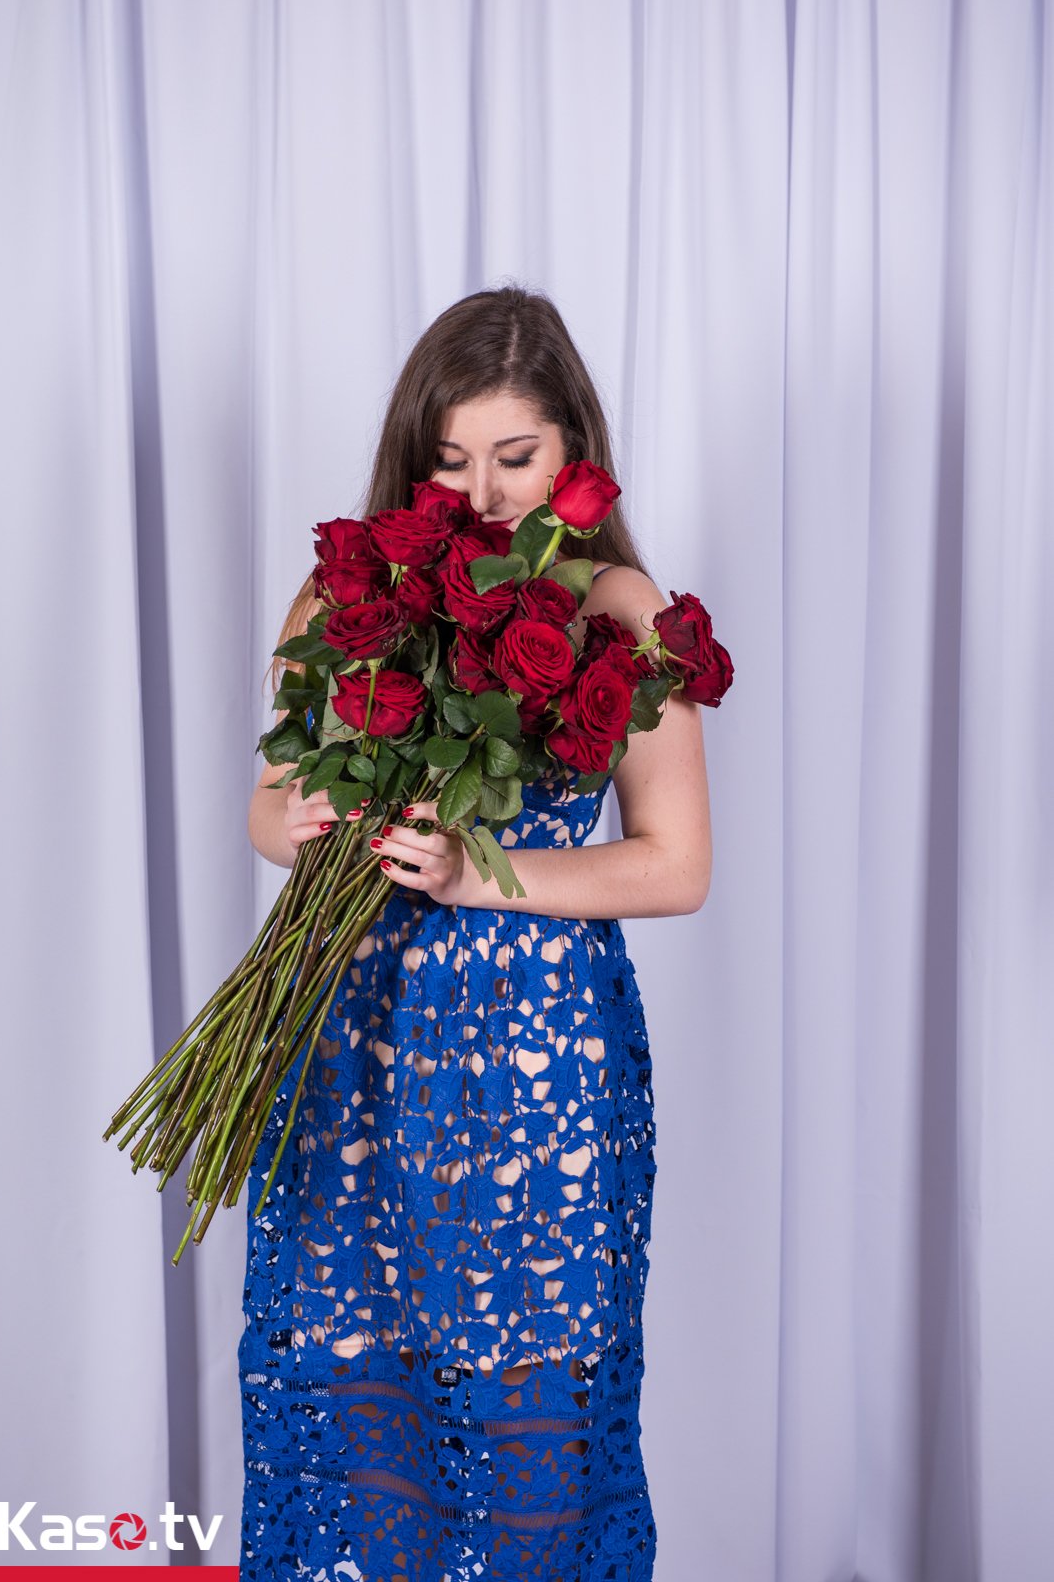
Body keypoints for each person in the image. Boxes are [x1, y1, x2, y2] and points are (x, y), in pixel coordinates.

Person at [240, 284, 712, 1581]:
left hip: (538, 1056)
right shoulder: (345, 594)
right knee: (355, 1390)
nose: (486, 493)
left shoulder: (619, 605)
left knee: (529, 1419)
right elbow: (269, 809)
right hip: (360, 1039)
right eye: (452, 461)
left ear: (573, 453)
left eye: (517, 456)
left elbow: (676, 868)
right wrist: (304, 815)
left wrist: (473, 874)